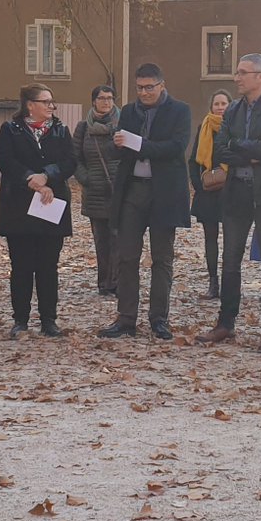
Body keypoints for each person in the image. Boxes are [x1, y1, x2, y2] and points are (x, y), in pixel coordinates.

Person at [196, 53, 261, 353]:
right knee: (231, 261)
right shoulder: (234, 109)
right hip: (236, 191)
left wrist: (251, 148)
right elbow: (220, 150)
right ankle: (226, 323)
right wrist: (248, 149)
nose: (236, 77)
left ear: (260, 77)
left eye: (243, 72)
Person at [98, 64, 192, 340]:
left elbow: (176, 148)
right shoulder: (128, 111)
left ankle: (158, 319)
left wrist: (139, 144)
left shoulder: (180, 110)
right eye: (139, 87)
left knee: (162, 258)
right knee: (126, 257)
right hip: (133, 191)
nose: (144, 92)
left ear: (162, 85)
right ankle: (126, 319)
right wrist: (116, 145)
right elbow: (119, 153)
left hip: (165, 192)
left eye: (149, 87)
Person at [0, 83, 76, 338]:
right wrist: (31, 179)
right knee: (21, 266)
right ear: (30, 105)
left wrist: (47, 177)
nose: (51, 107)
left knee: (48, 265)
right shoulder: (11, 130)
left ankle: (49, 320)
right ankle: (20, 319)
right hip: (19, 206)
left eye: (52, 102)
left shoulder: (61, 131)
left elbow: (70, 162)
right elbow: (7, 161)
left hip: (51, 205)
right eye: (45, 102)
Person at [72, 85, 122, 297]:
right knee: (101, 241)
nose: (106, 102)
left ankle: (117, 283)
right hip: (94, 193)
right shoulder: (83, 128)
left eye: (110, 98)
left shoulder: (122, 125)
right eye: (102, 98)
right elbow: (75, 159)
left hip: (118, 191)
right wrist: (86, 179)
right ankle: (104, 283)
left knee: (119, 240)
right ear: (94, 101)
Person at [188, 89, 231, 300]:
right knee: (210, 240)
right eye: (217, 104)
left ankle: (230, 284)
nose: (221, 108)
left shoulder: (236, 128)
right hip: (208, 193)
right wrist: (199, 185)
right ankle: (213, 282)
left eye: (224, 104)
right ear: (211, 107)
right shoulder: (203, 128)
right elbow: (194, 160)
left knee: (232, 241)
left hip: (231, 191)